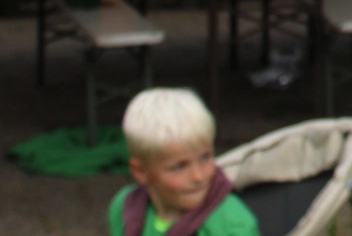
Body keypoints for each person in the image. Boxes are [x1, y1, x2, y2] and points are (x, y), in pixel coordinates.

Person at [108, 88, 260, 236]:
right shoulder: (125, 209)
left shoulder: (232, 224)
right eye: (180, 166)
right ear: (140, 172)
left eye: (205, 157)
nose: (198, 176)